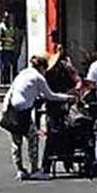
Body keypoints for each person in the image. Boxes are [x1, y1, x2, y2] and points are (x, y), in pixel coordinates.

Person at [2, 54, 74, 181]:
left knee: (16, 143)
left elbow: (19, 90)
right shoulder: (38, 77)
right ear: (42, 67)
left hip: (11, 110)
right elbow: (50, 95)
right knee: (33, 139)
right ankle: (35, 170)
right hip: (24, 112)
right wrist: (67, 97)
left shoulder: (23, 73)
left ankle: (20, 170)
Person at [40, 45, 80, 175]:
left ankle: (65, 162)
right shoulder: (48, 75)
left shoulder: (62, 70)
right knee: (54, 135)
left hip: (61, 105)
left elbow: (73, 83)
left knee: (66, 133)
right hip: (55, 105)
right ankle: (48, 164)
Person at [0, 11, 18, 84]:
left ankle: (12, 80)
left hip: (11, 48)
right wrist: (8, 39)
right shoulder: (0, 27)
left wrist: (15, 40)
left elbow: (14, 36)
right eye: (5, 18)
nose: (7, 20)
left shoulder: (11, 27)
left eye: (8, 18)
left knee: (13, 65)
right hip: (2, 49)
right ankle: (2, 81)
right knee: (3, 66)